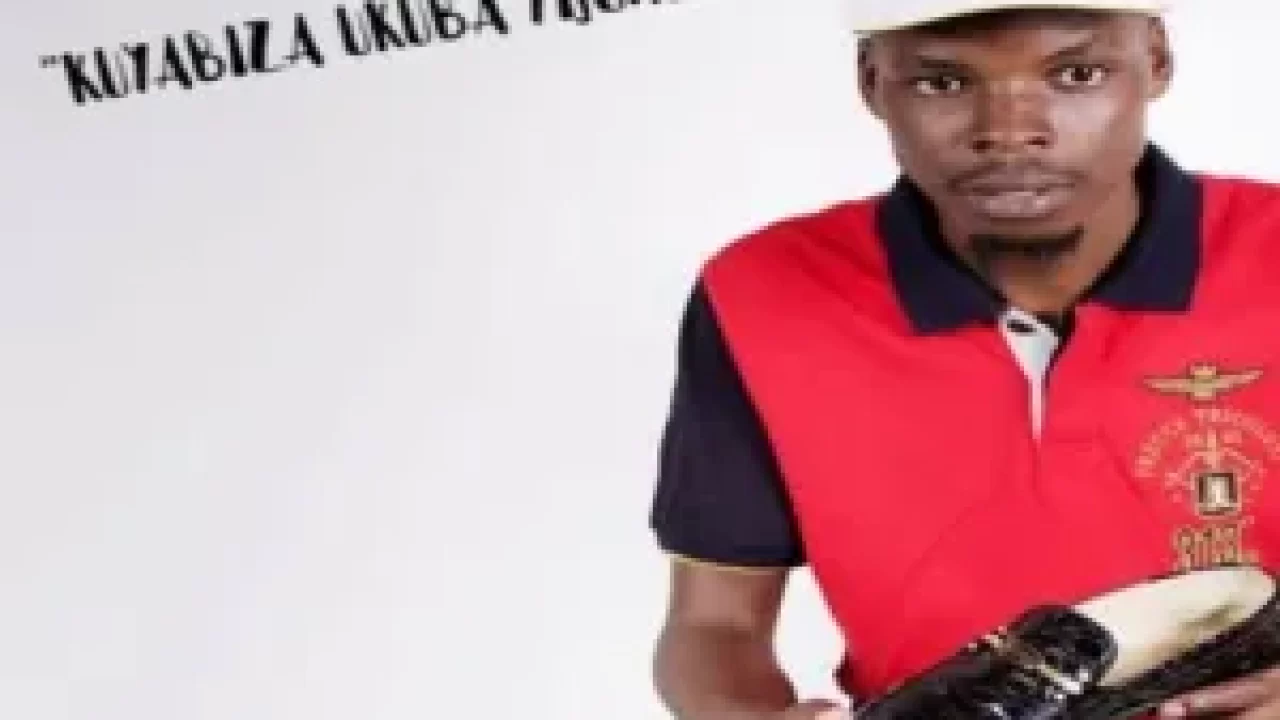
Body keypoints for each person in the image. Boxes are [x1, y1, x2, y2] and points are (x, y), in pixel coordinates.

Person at [647, 1, 1280, 718]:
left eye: (1076, 74)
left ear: (1156, 61)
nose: (1009, 133)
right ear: (870, 81)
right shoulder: (761, 294)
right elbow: (715, 623)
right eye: (943, 82)